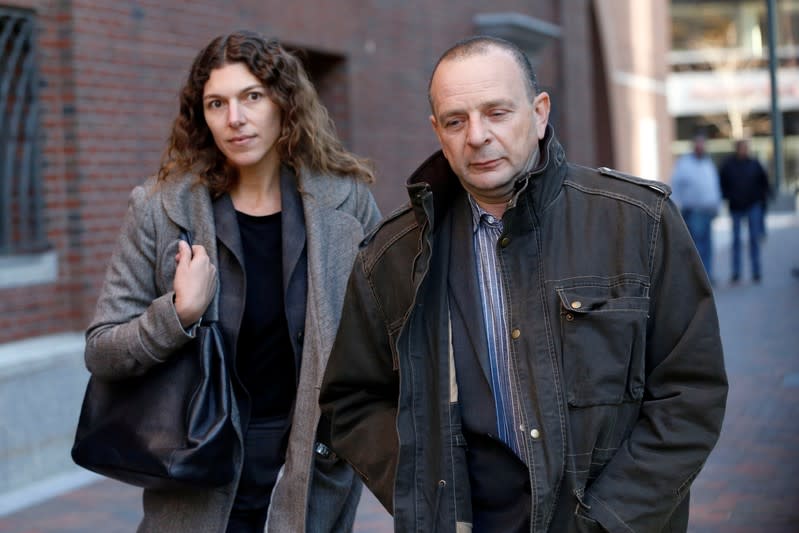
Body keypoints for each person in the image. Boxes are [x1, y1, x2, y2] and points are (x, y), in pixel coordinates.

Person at [320, 36, 728, 532]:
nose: (477, 135)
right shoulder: (390, 258)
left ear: (539, 113)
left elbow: (689, 392)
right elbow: (354, 400)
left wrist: (607, 520)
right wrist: (424, 492)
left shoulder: (638, 222)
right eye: (456, 120)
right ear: (438, 132)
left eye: (497, 112)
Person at [84, 31, 381, 532]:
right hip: (198, 469)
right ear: (201, 115)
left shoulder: (347, 206)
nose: (235, 119)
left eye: (252, 97)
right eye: (216, 103)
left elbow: (384, 338)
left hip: (311, 471)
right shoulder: (160, 209)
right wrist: (176, 315)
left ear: (284, 103)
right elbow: (102, 350)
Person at [669, 133, 722, 283]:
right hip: (693, 211)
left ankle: (707, 276)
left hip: (708, 210)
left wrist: (717, 205)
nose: (701, 147)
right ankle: (698, 279)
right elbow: (675, 185)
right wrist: (674, 208)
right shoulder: (684, 164)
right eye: (698, 144)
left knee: (708, 246)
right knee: (697, 247)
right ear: (694, 146)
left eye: (703, 144)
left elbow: (714, 186)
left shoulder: (707, 163)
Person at [719, 139, 771, 283]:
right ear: (736, 149)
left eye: (745, 148)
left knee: (754, 239)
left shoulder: (755, 164)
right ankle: (736, 272)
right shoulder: (728, 165)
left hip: (753, 205)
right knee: (736, 241)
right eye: (741, 148)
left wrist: (762, 201)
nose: (743, 150)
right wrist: (728, 196)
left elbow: (764, 183)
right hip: (735, 207)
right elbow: (722, 183)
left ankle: (756, 272)